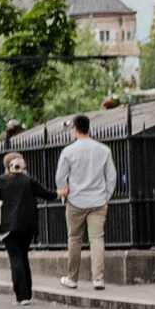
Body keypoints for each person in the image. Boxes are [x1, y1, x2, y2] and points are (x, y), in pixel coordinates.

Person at [55, 114, 116, 290]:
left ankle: (72, 278)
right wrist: (106, 196)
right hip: (98, 200)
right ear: (89, 128)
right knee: (97, 239)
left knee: (74, 239)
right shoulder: (103, 150)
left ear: (75, 129)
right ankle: (98, 278)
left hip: (75, 200)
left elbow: (61, 177)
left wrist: (64, 194)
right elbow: (111, 177)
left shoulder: (68, 151)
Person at [0, 151, 42, 302]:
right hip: (27, 225)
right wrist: (60, 193)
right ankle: (27, 292)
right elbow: (45, 193)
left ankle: (21, 295)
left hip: (9, 226)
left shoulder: (1, 180)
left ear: (6, 165)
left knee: (15, 258)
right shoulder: (28, 180)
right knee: (24, 256)